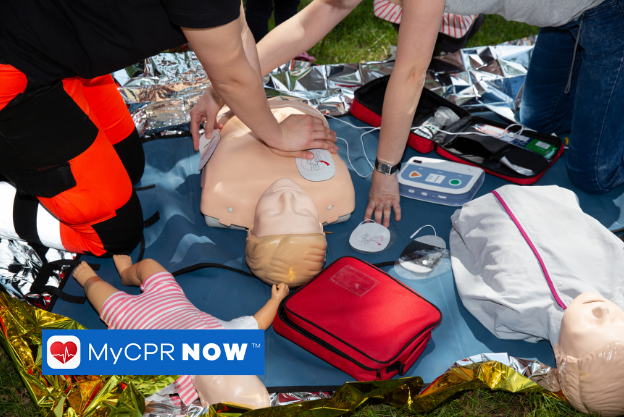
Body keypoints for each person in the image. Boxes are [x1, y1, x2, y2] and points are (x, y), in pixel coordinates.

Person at [202, 0, 618, 227]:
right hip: (564, 19)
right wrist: (222, 86)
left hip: (607, 13)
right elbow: (306, 26)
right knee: (542, 127)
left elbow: (411, 74)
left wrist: (385, 174)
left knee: (593, 175)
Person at [0, 0, 337, 256]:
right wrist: (275, 134)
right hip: (12, 78)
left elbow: (238, 31)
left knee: (129, 166)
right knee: (115, 235)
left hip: (60, 60)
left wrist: (225, 95)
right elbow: (233, 73)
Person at [72, 255, 288, 406]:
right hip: (169, 298)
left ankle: (90, 279)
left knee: (96, 289)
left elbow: (141, 386)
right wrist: (276, 300)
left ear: (202, 399)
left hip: (130, 317)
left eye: (216, 378)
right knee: (148, 265)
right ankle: (126, 273)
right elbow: (258, 324)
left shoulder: (175, 380)